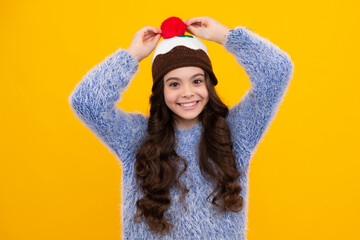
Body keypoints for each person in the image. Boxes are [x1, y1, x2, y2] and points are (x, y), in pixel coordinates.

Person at [69, 16, 294, 240]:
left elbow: (277, 71)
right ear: (161, 91)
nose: (187, 92)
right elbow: (86, 102)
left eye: (196, 81)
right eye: (174, 84)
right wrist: (132, 55)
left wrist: (225, 36)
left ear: (208, 84)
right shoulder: (137, 137)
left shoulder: (235, 132)